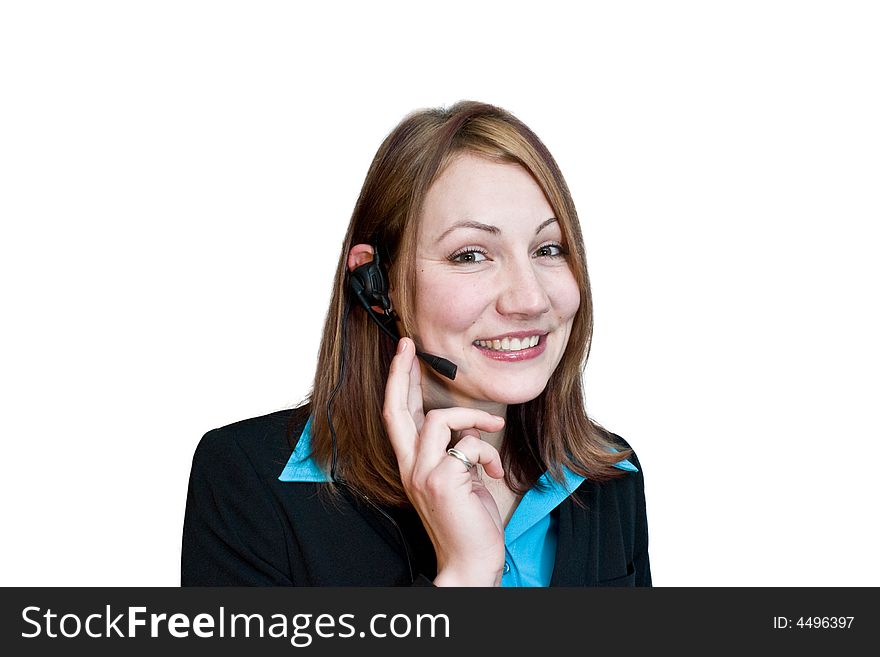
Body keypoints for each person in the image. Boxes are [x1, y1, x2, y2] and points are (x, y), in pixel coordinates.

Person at [181, 100, 651, 587]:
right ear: (377, 284)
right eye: (471, 255)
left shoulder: (608, 477)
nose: (530, 299)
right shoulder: (247, 483)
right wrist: (466, 573)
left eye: (548, 249)